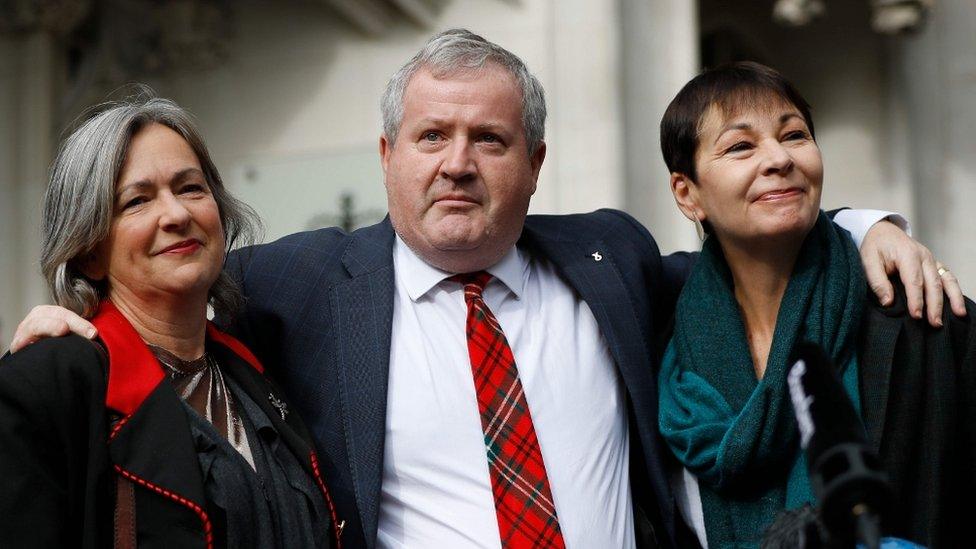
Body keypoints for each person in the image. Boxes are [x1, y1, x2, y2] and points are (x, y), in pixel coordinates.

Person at [7, 31, 963, 549]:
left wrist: (858, 223)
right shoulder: (296, 284)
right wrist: (74, 318)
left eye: (490, 140)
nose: (457, 165)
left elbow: (743, 264)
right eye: (430, 138)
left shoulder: (613, 261)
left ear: (537, 162)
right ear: (387, 156)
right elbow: (168, 284)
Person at [657, 61, 975, 548]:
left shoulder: (921, 313)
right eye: (741, 146)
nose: (778, 159)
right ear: (687, 193)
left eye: (795, 135)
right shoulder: (663, 345)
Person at [0, 95, 341, 548]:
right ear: (88, 250)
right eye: (137, 201)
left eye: (190, 188)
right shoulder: (50, 382)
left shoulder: (255, 370)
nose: (177, 214)